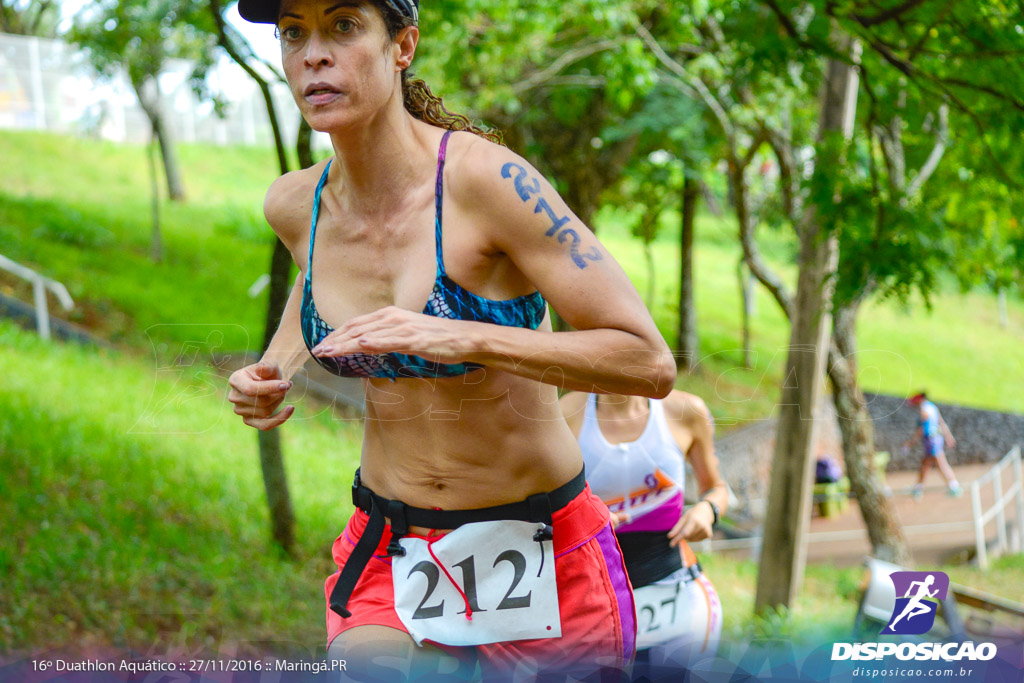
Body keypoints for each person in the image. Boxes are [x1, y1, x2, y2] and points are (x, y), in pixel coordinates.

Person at [229, 0, 676, 678]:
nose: (313, 54)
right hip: (392, 544)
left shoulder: (488, 182)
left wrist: (462, 336)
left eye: (343, 26)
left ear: (403, 46)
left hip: (541, 547)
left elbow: (647, 361)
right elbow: (319, 273)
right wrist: (276, 364)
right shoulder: (297, 206)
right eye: (295, 33)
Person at [560, 390, 727, 678]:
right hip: (595, 602)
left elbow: (717, 489)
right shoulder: (566, 412)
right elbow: (539, 506)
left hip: (676, 587)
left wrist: (707, 510)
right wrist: (588, 519)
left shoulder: (685, 410)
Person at [901, 392, 961, 499]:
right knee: (926, 464)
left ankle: (954, 486)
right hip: (935, 439)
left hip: (931, 440)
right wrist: (948, 437)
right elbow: (941, 423)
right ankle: (919, 488)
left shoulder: (924, 409)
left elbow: (922, 428)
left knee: (939, 463)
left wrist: (910, 443)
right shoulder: (932, 406)